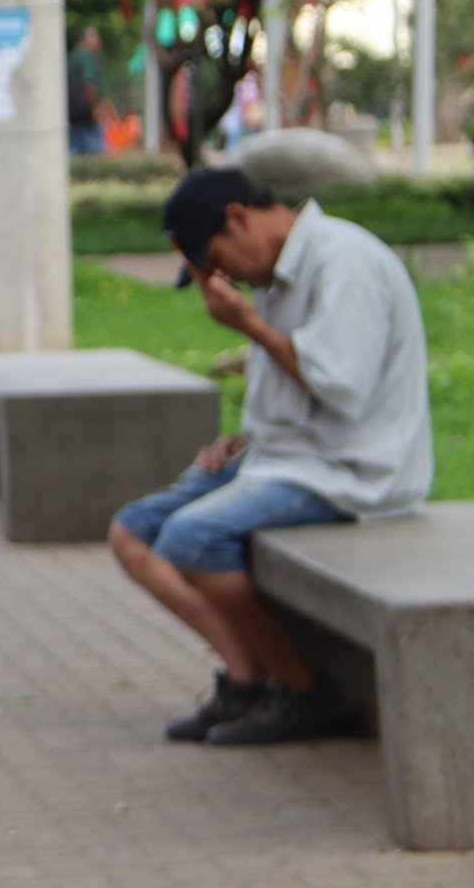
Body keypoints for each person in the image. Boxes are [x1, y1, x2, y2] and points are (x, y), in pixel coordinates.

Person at [108, 168, 432, 745]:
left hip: (349, 468)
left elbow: (341, 389)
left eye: (217, 260)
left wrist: (253, 327)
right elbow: (288, 388)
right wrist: (245, 438)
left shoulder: (343, 262)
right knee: (132, 535)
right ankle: (247, 677)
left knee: (191, 539)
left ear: (238, 217)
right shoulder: (278, 276)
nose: (225, 277)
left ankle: (305, 691)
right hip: (281, 458)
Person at [67, 26, 108, 156]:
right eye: (94, 36)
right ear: (84, 39)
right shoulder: (85, 57)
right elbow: (89, 85)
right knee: (96, 155)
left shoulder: (73, 56)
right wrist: (95, 108)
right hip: (86, 114)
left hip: (73, 113)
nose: (98, 40)